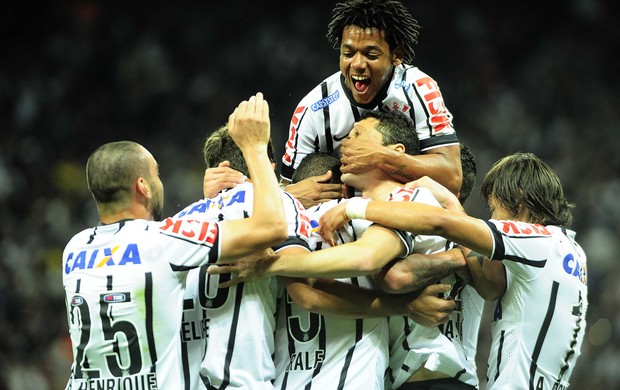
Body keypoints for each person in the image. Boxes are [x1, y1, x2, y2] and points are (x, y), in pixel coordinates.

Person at [209, 110, 468, 388]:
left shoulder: (403, 200)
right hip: (371, 377)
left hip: (427, 371)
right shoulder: (343, 216)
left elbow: (378, 266)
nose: (346, 142)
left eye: (357, 135)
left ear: (395, 152)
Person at [61, 93, 289, 389]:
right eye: (157, 174)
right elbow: (273, 225)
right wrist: (256, 150)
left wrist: (209, 205)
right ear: (142, 186)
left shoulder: (73, 250)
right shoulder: (163, 242)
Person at [319, 152, 588, 389]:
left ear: (518, 203)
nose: (492, 219)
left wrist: (357, 208)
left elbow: (439, 224)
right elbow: (490, 286)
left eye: (494, 209)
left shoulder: (535, 239)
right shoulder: (572, 251)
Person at [203, 0, 461, 208]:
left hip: (408, 211)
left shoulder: (419, 89)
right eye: (348, 53)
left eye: (371, 54)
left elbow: (453, 179)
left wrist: (382, 158)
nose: (358, 64)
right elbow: (290, 192)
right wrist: (233, 191)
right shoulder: (313, 110)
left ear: (397, 55)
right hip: (339, 219)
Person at [376, 143, 483, 389]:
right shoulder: (473, 242)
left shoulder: (475, 242)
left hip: (434, 377)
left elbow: (395, 276)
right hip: (457, 380)